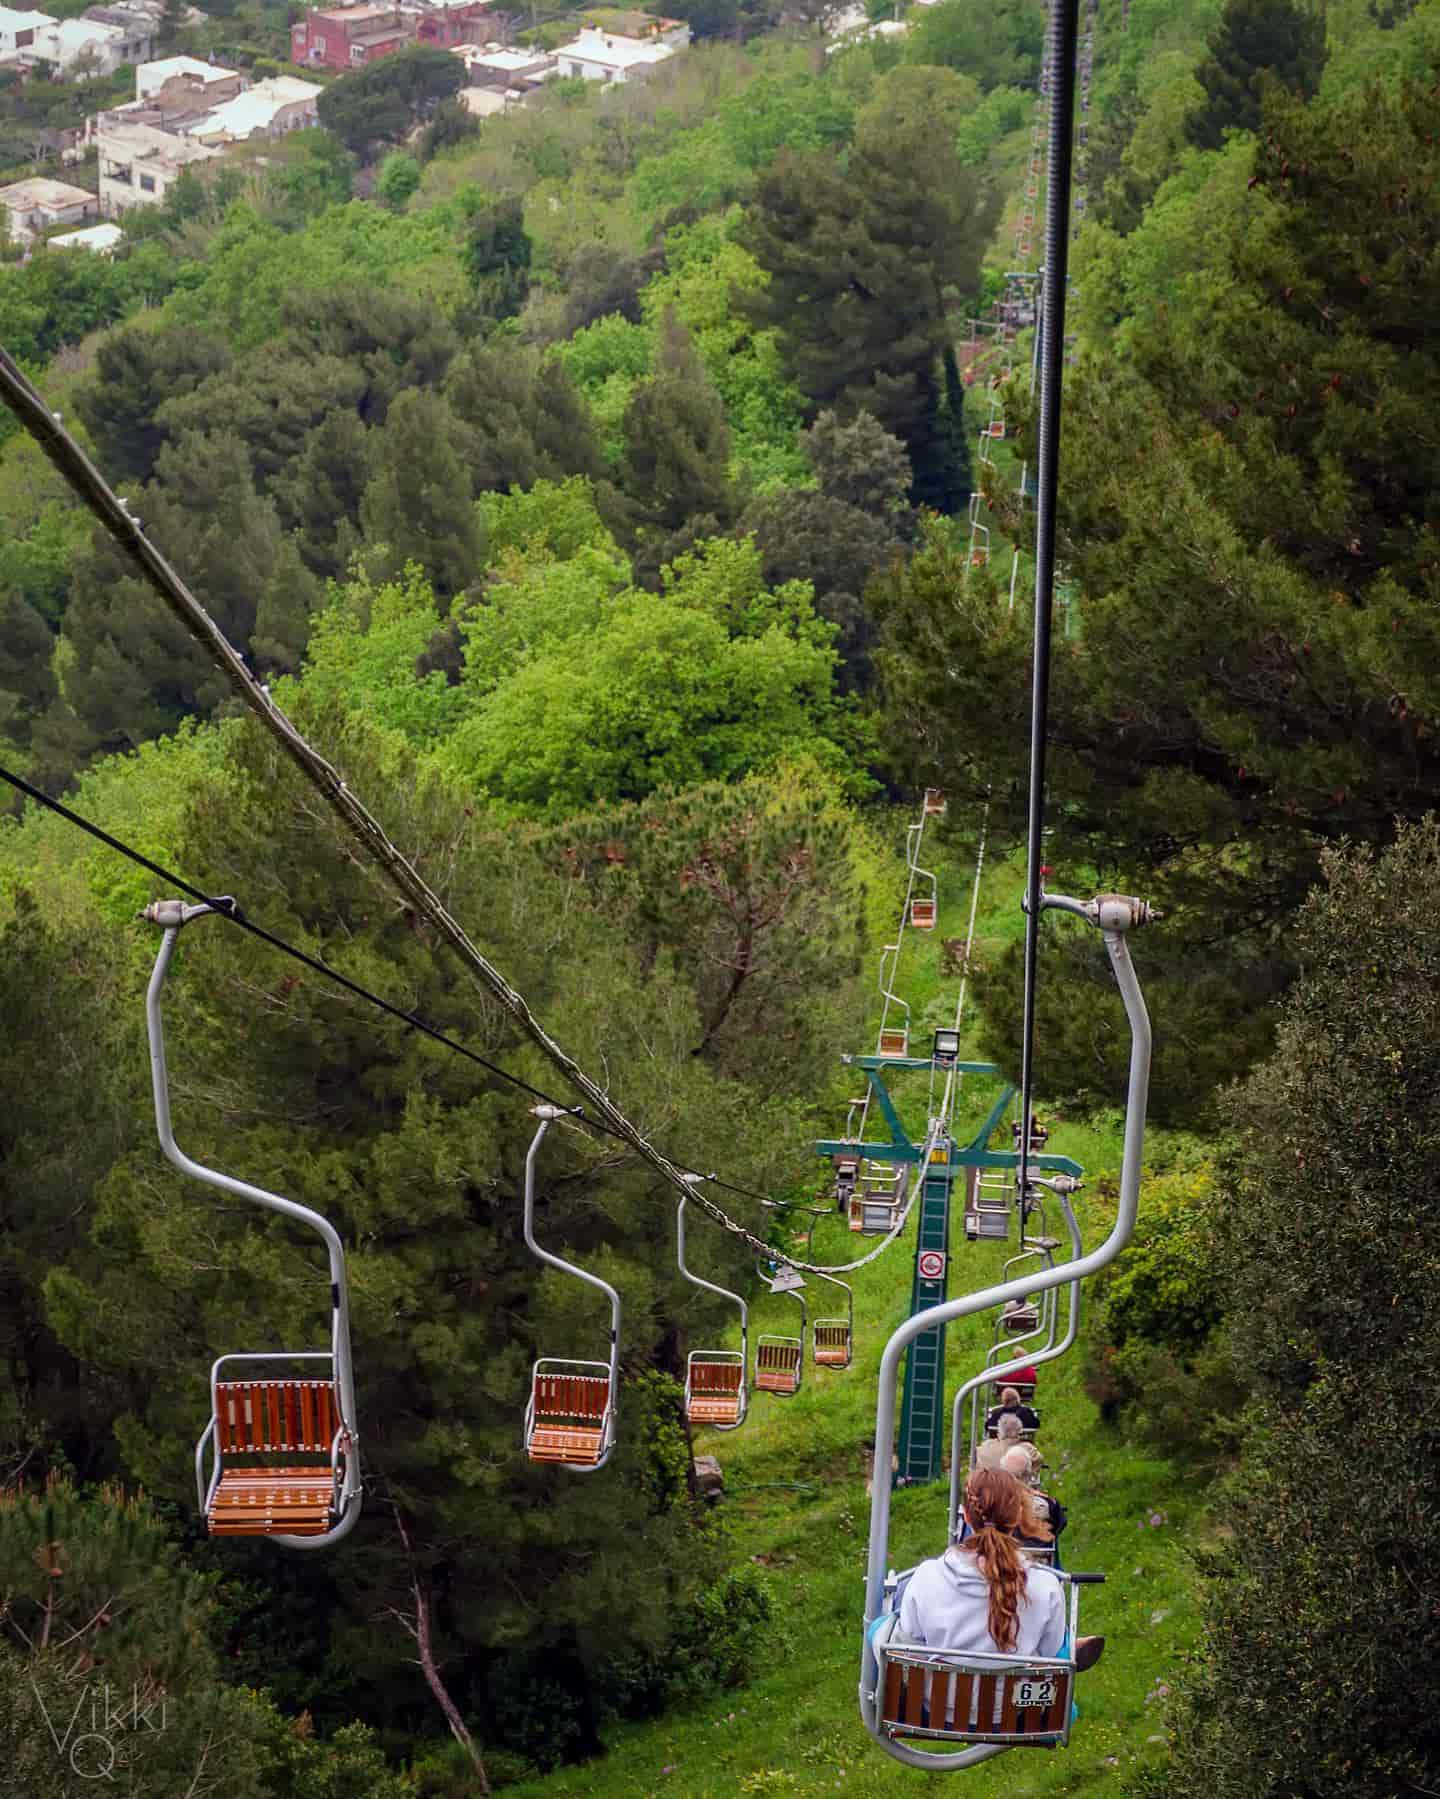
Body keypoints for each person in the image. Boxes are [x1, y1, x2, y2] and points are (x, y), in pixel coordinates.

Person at [896, 1469, 1102, 1674]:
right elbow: (1051, 1658)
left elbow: (908, 1649)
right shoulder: (1045, 1585)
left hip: (938, 1704)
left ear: (966, 1516)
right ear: (1019, 1515)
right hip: (1017, 1705)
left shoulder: (927, 1577)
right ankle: (1073, 1646)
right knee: (1060, 1650)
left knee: (881, 1627)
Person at [1001, 1444, 1068, 1551]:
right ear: (1029, 1473)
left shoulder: (991, 1502)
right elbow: (1060, 1525)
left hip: (1001, 1559)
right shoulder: (1048, 1504)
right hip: (1040, 1562)